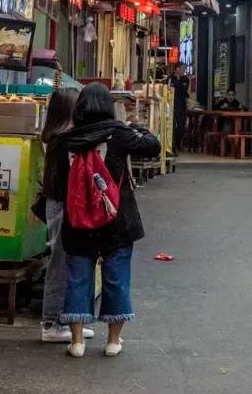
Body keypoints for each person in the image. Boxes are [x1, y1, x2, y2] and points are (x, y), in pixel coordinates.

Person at [50, 83, 160, 358]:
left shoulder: (64, 140)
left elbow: (56, 184)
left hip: (77, 222)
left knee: (77, 279)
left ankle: (76, 342)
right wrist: (136, 126)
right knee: (117, 278)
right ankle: (113, 341)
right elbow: (153, 147)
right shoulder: (119, 135)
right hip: (117, 221)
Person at [38, 88, 94, 344]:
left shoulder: (53, 137)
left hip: (58, 203)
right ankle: (52, 322)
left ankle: (67, 320)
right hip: (62, 204)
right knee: (60, 261)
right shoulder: (63, 140)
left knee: (64, 260)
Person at [167, 63, 190, 150]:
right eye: (183, 69)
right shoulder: (170, 79)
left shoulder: (186, 79)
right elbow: (168, 90)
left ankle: (177, 144)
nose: (184, 71)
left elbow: (184, 91)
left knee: (181, 126)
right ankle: (172, 146)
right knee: (172, 125)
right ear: (177, 69)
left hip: (182, 105)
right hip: (172, 104)